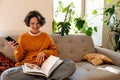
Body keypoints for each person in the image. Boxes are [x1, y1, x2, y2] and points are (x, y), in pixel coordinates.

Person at [0, 10, 75, 80]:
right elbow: (19, 59)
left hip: (45, 66)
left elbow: (54, 51)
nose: (35, 26)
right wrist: (17, 49)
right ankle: (47, 78)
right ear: (28, 23)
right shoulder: (23, 37)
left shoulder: (46, 36)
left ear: (41, 23)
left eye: (38, 23)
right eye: (32, 23)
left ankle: (43, 77)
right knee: (5, 75)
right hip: (28, 67)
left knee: (70, 64)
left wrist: (44, 52)